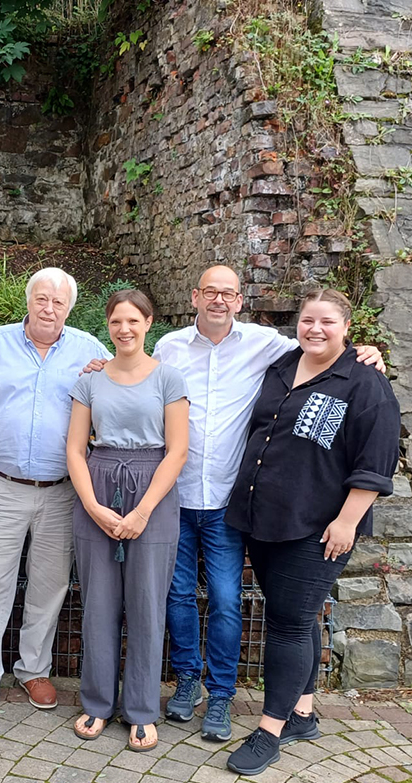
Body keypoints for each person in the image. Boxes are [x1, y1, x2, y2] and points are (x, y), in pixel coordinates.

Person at [154, 266, 385, 742]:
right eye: (210, 292)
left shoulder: (270, 347)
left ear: (241, 301)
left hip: (229, 503)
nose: (219, 301)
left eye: (229, 294)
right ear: (195, 296)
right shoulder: (172, 348)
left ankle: (225, 696)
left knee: (226, 600)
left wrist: (370, 353)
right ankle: (191, 682)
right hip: (180, 498)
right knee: (177, 596)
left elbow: (331, 354)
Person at [223, 288, 400, 776]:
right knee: (296, 618)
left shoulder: (365, 385)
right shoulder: (281, 366)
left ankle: (269, 730)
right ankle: (302, 712)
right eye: (307, 320)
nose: (315, 330)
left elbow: (375, 463)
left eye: (327, 322)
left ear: (347, 327)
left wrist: (347, 521)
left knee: (288, 624)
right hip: (264, 520)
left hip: (319, 529)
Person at [0, 268, 111, 719]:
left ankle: (33, 669)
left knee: (50, 585)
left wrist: (106, 376)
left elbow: (118, 398)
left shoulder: (89, 350)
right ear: (28, 299)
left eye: (58, 303)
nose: (49, 309)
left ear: (70, 308)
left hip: (62, 492)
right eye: (42, 299)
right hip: (1, 485)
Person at [66, 289, 189, 753]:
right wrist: (94, 506)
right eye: (117, 321)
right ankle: (97, 704)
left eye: (133, 321)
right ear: (108, 325)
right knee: (97, 603)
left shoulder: (168, 379)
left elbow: (178, 450)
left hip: (152, 487)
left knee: (146, 603)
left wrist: (142, 511)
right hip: (98, 481)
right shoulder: (90, 381)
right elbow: (75, 449)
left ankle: (140, 711)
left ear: (149, 323)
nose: (124, 329)